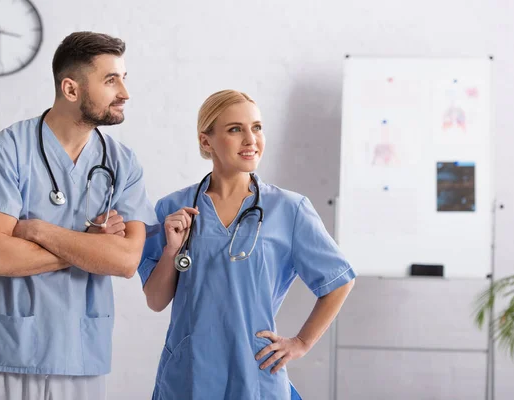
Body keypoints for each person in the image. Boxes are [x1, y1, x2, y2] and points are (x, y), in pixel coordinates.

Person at [0, 32, 158, 400]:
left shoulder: (122, 164)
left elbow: (126, 260)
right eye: (111, 80)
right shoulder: (6, 151)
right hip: (2, 352)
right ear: (71, 88)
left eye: (124, 79)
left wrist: (38, 230)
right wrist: (91, 248)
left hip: (80, 354)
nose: (125, 93)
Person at [138, 90, 356, 399]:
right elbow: (156, 300)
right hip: (190, 372)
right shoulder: (173, 207)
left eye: (257, 127)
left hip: (256, 370)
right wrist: (172, 249)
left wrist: (301, 342)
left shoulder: (289, 209)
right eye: (235, 129)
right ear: (205, 141)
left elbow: (338, 281)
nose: (250, 138)